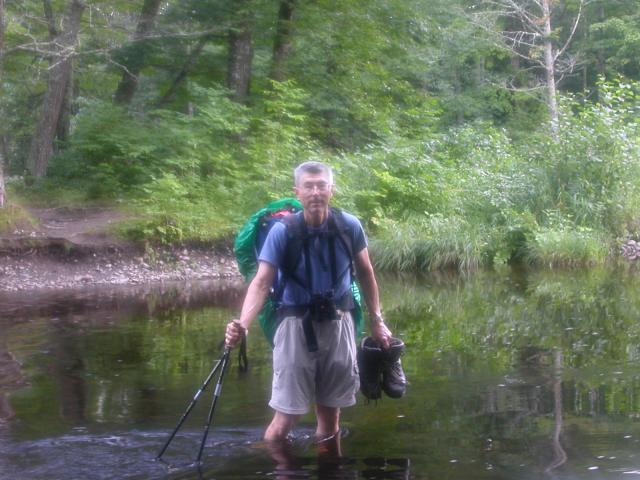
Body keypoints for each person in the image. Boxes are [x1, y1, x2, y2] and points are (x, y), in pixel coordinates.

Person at [225, 161, 393, 443]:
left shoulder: (349, 226)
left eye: (321, 185)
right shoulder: (282, 231)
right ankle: (278, 465)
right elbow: (262, 282)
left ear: (331, 190)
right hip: (294, 325)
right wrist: (243, 324)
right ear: (298, 192)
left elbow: (365, 272)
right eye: (309, 186)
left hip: (340, 322)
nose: (316, 192)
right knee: (286, 417)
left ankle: (330, 468)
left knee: (330, 416)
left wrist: (377, 321)